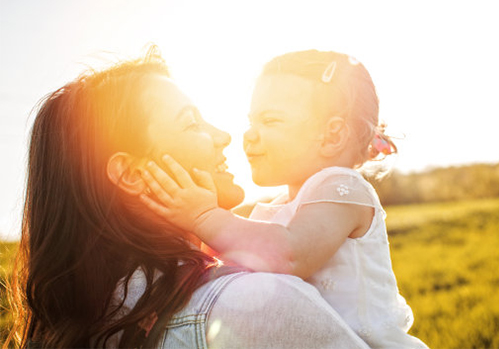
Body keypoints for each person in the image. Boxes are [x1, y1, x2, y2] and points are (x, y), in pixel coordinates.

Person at [4, 46, 372, 349]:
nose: (226, 136)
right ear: (132, 175)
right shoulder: (257, 306)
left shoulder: (77, 323)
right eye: (191, 123)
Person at [139, 50, 428, 349]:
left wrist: (202, 216)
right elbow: (222, 256)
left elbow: (291, 254)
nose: (249, 135)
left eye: (270, 120)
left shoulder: (344, 189)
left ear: (332, 136)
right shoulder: (271, 209)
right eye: (251, 121)